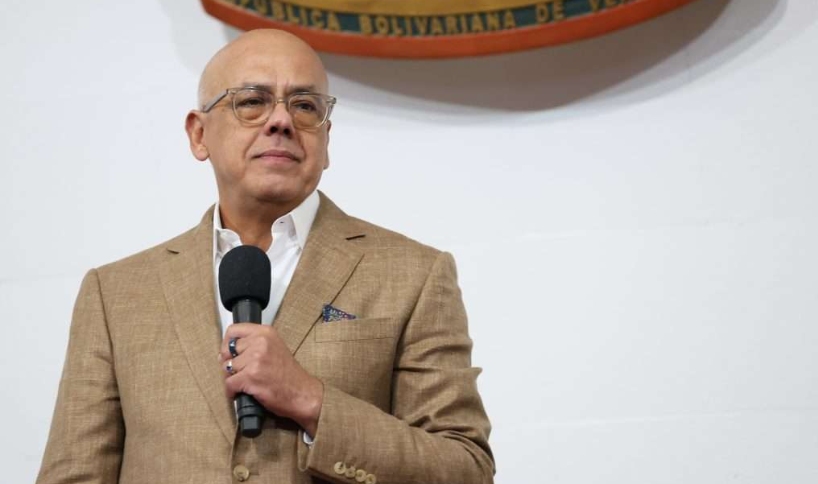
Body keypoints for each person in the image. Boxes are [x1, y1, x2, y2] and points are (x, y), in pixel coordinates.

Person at [37, 29, 494, 484]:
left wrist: (312, 400)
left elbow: (465, 469)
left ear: (326, 138)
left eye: (305, 105)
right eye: (252, 101)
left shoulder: (413, 274)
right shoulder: (116, 293)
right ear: (199, 134)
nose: (281, 121)